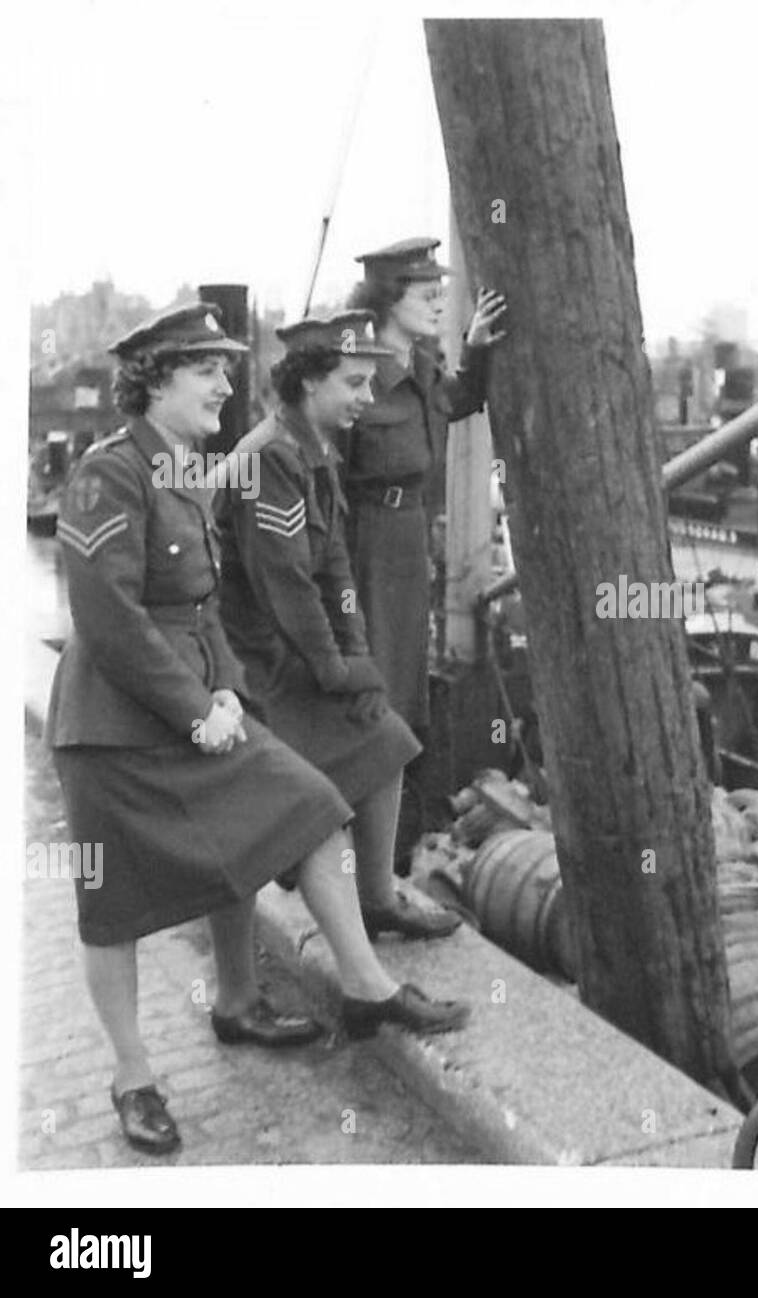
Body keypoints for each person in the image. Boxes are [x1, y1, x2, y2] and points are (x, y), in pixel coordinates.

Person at [46, 305, 471, 1157]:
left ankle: (364, 986)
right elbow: (108, 617)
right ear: (156, 379)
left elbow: (206, 608)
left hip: (201, 710)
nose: (225, 384)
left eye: (225, 368)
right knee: (113, 911)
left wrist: (229, 692)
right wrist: (196, 708)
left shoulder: (189, 466)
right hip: (111, 734)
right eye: (206, 369)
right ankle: (134, 1079)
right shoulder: (110, 474)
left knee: (312, 805)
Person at [216, 310, 455, 941]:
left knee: (390, 738)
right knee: (364, 743)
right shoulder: (268, 459)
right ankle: (314, 866)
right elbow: (288, 588)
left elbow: (337, 575)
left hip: (292, 653)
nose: (367, 398)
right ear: (308, 383)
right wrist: (337, 670)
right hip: (255, 667)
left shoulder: (312, 451)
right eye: (354, 383)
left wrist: (357, 652)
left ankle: (376, 896)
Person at [340, 238, 506, 855]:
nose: (441, 302)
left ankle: (391, 851)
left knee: (404, 696)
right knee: (369, 692)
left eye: (442, 292)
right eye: (427, 294)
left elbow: (460, 399)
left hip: (409, 543)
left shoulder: (422, 364)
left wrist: (479, 345)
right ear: (387, 297)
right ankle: (349, 848)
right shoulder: (355, 372)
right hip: (366, 544)